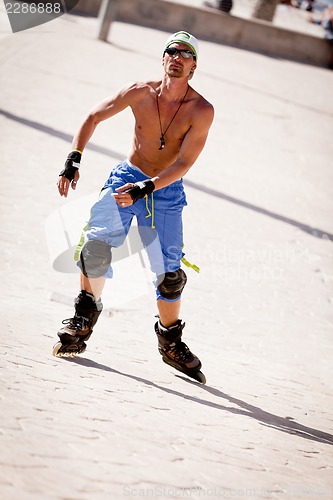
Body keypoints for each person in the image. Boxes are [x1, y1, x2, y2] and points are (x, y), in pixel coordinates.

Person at [54, 31, 214, 382]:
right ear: (163, 58)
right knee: (95, 248)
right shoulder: (140, 91)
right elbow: (93, 116)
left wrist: (149, 187)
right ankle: (83, 319)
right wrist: (73, 158)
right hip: (126, 179)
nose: (177, 56)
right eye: (171, 50)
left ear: (194, 65)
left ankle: (170, 342)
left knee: (170, 276)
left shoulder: (201, 110)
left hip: (165, 192)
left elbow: (184, 163)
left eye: (185, 53)